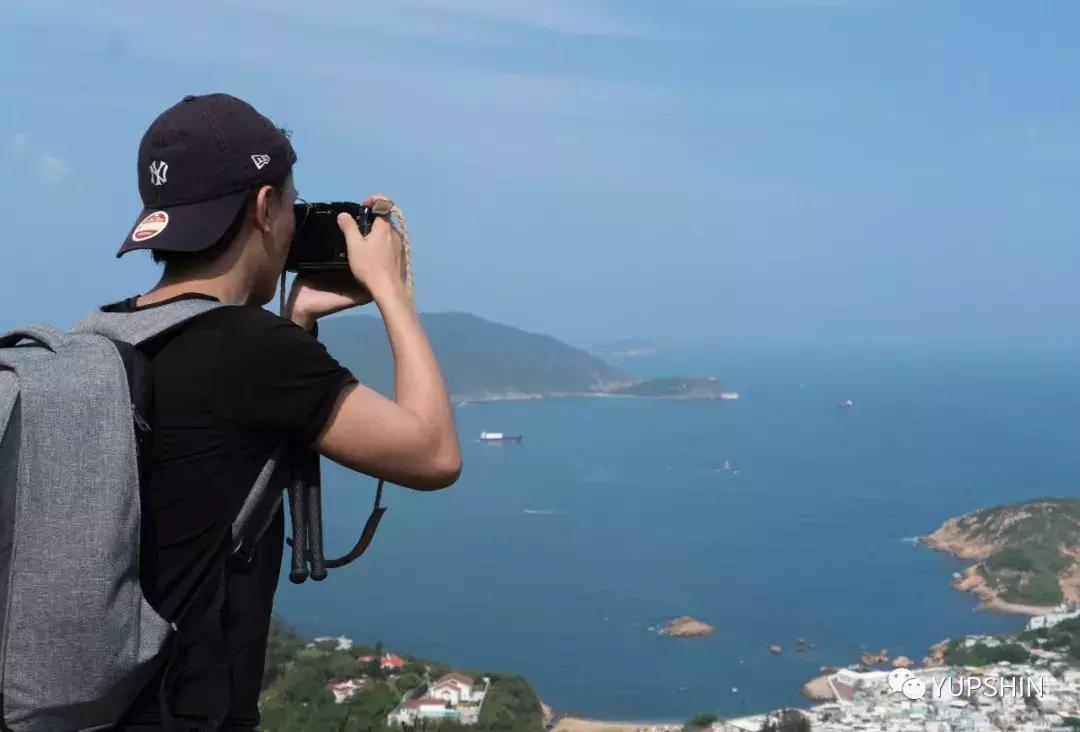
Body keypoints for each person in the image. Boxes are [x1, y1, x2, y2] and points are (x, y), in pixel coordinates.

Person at [111, 93, 462, 729]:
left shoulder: (109, 337)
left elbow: (227, 432)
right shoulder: (251, 355)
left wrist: (295, 318)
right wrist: (389, 290)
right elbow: (434, 453)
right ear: (265, 208)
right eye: (292, 203)